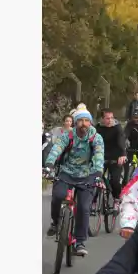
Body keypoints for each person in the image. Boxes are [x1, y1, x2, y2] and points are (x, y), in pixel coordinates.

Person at [44, 105, 105, 257]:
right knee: (58, 195)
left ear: (90, 123)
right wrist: (49, 165)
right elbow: (56, 148)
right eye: (80, 121)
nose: (84, 124)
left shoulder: (96, 138)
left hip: (88, 174)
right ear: (75, 122)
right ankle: (56, 222)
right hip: (67, 172)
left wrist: (98, 173)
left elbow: (99, 155)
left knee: (84, 208)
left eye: (87, 121)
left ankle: (80, 242)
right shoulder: (68, 136)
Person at [96, 110, 130, 207]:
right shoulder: (97, 128)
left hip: (116, 157)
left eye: (112, 118)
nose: (110, 120)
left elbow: (121, 141)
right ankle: (93, 201)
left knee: (115, 181)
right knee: (95, 179)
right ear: (102, 119)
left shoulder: (117, 127)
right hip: (101, 157)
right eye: (107, 118)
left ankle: (116, 199)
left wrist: (123, 154)